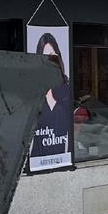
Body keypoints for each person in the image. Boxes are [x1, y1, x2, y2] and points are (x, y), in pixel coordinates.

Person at [31, 33, 72, 161]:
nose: (50, 62)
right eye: (45, 58)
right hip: (37, 162)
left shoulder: (67, 93)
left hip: (63, 160)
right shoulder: (33, 95)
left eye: (53, 57)